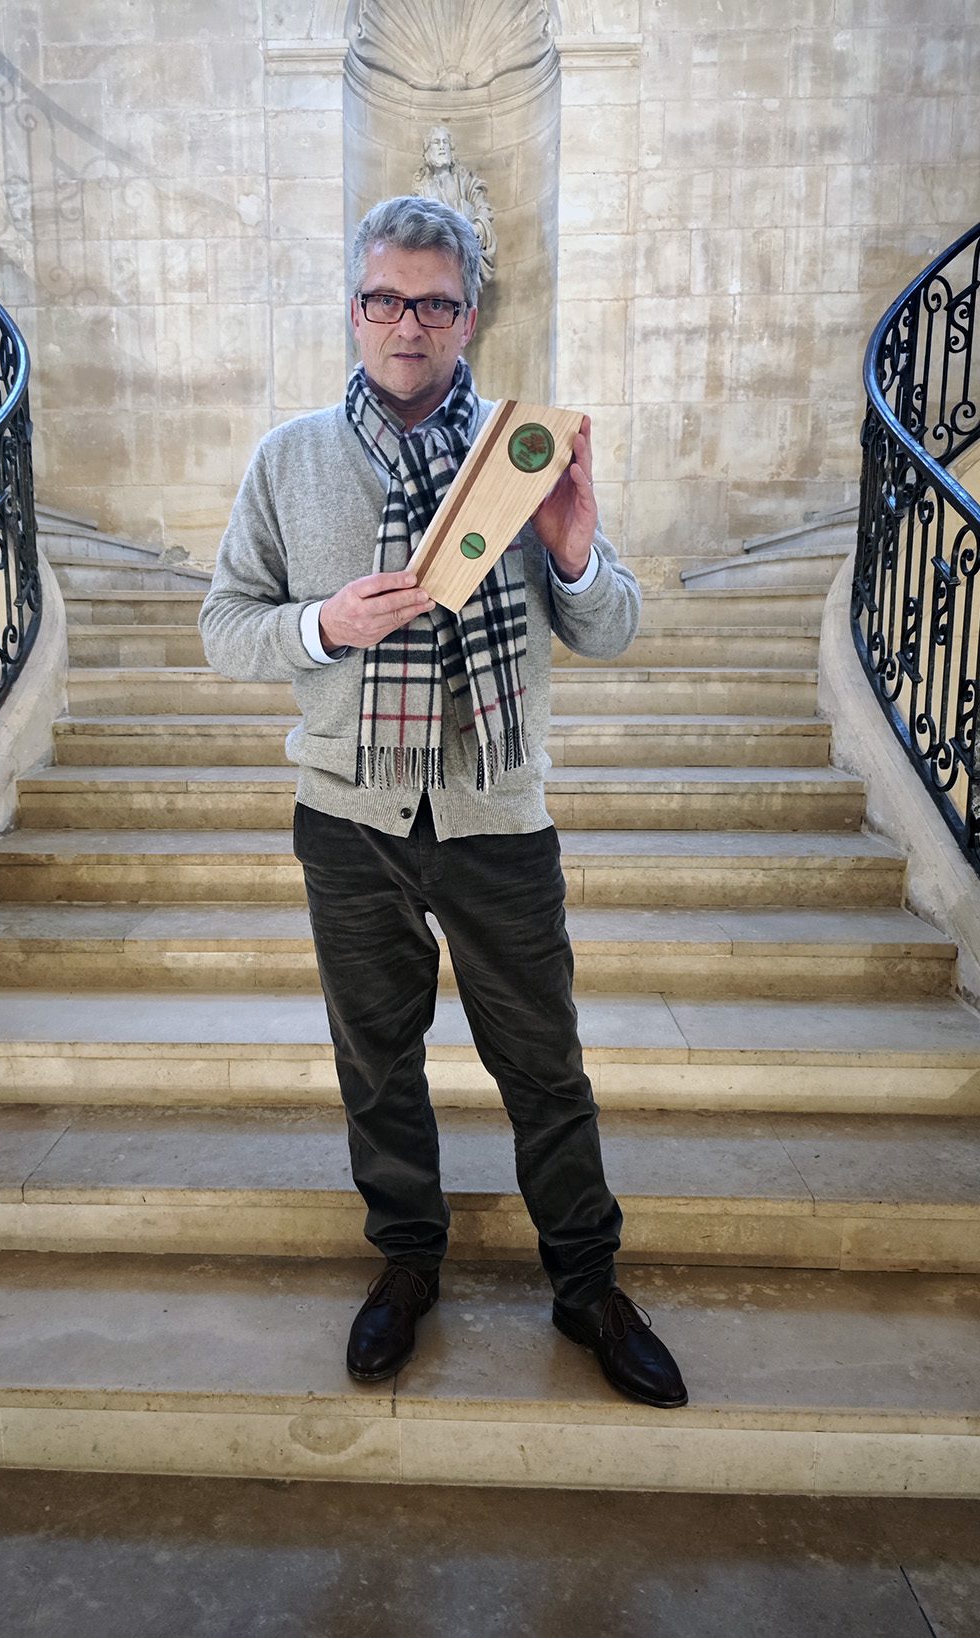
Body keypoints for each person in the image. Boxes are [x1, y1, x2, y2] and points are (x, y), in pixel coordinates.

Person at [199, 195, 687, 1410]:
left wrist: (573, 551)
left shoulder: (523, 456)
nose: (405, 323)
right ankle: (408, 1263)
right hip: (348, 814)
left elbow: (611, 628)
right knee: (377, 1061)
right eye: (383, 299)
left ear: (467, 317)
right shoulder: (289, 459)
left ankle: (586, 1284)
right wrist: (322, 625)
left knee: (543, 1064)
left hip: (494, 815)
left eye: (431, 303)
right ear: (353, 309)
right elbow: (225, 627)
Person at [413, 125, 496, 285]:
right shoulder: (421, 192)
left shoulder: (467, 182)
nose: (442, 146)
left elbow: (484, 211)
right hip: (437, 260)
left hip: (467, 255)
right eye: (436, 142)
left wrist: (475, 229)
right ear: (428, 151)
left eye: (445, 142)